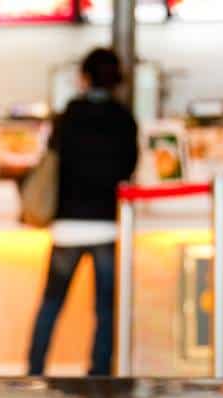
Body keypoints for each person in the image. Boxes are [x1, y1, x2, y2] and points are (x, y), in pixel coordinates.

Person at [26, 48, 138, 376]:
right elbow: (128, 166)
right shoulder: (124, 117)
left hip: (67, 225)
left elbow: (50, 160)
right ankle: (100, 376)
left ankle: (35, 372)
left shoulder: (68, 116)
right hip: (106, 224)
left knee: (51, 304)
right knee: (104, 310)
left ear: (84, 77)